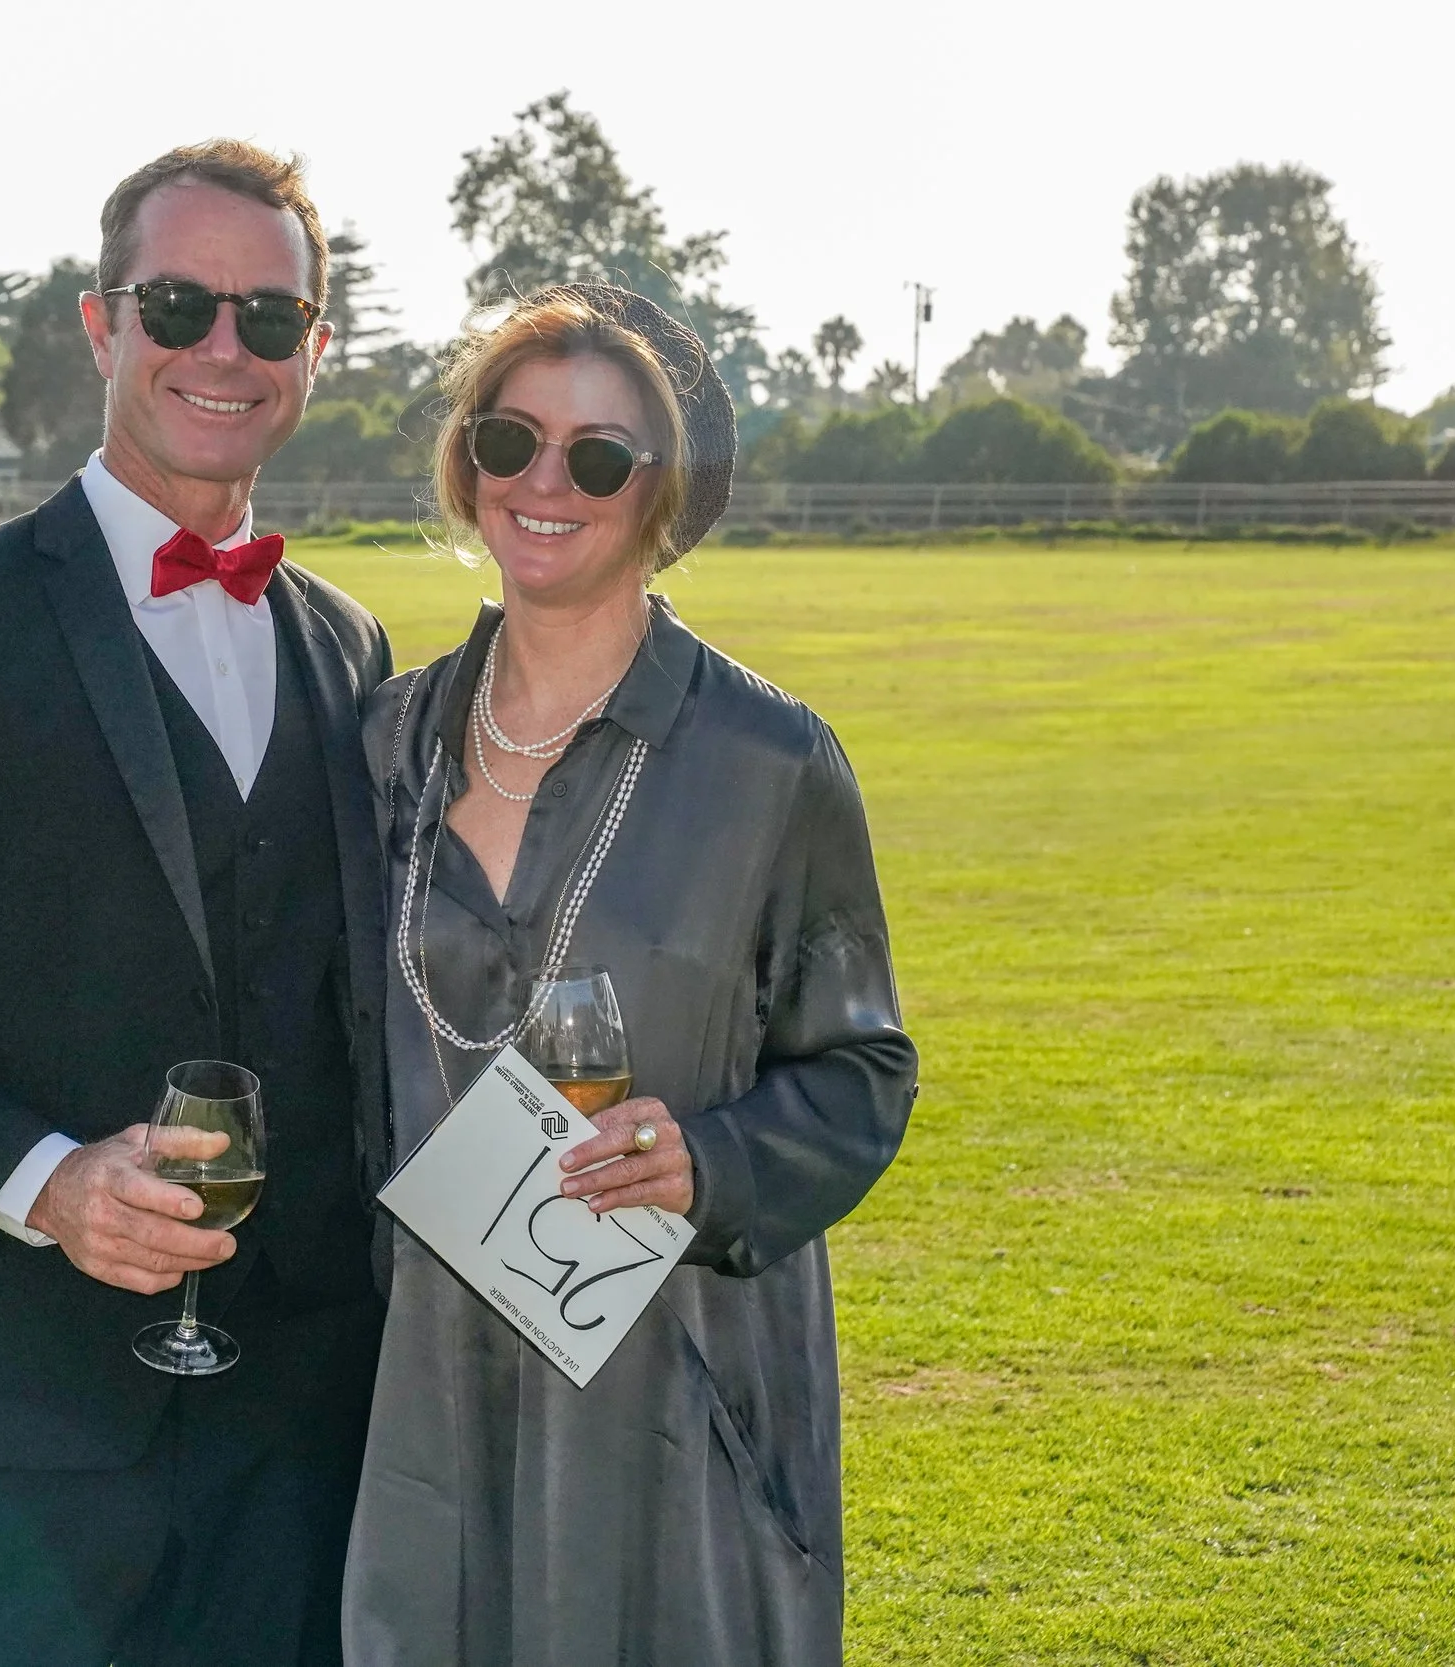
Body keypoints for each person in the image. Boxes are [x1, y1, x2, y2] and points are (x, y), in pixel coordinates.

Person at [0, 140, 394, 1667]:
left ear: (318, 346)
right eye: (178, 305)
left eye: (266, 316)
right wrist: (46, 1181)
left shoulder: (351, 646)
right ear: (102, 327)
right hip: (2, 1421)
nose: (220, 349)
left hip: (288, 1428)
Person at [342, 285, 919, 1666]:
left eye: (599, 456)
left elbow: (862, 1068)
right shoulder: (382, 744)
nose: (548, 483)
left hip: (675, 1378)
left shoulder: (770, 763)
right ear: (465, 464)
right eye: (510, 440)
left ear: (662, 496)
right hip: (425, 1382)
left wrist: (709, 1160)